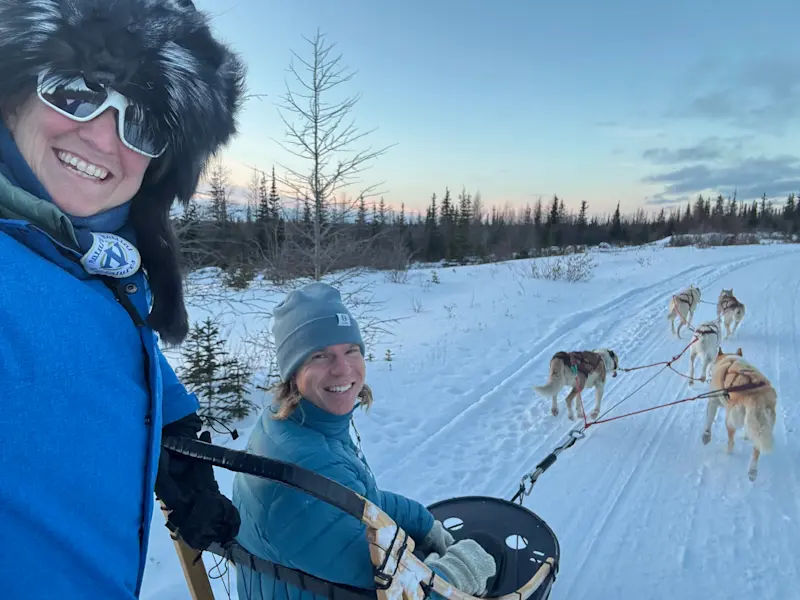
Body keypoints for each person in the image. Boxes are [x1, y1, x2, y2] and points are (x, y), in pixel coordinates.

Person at [0, 1, 246, 597]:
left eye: (144, 122)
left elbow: (103, 338)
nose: (103, 136)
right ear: (11, 94)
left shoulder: (92, 264)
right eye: (76, 91)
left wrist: (173, 427)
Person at [231, 282, 497, 600]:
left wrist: (424, 523)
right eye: (320, 355)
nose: (342, 369)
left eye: (351, 351)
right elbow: (400, 594)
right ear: (293, 370)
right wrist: (458, 571)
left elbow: (361, 501)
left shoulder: (292, 424)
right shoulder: (307, 467)